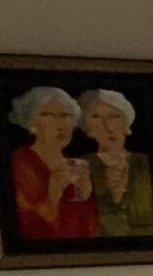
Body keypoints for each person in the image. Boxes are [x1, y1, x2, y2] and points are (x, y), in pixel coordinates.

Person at [7, 86, 95, 239]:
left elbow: (90, 229)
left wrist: (85, 195)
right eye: (48, 115)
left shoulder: (74, 166)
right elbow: (24, 228)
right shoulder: (20, 164)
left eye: (65, 116)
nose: (60, 125)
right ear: (31, 123)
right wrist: (53, 194)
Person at [77, 87, 153, 237]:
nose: (108, 127)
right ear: (89, 129)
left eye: (115, 117)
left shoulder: (147, 164)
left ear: (127, 125)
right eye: (97, 118)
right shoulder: (80, 167)